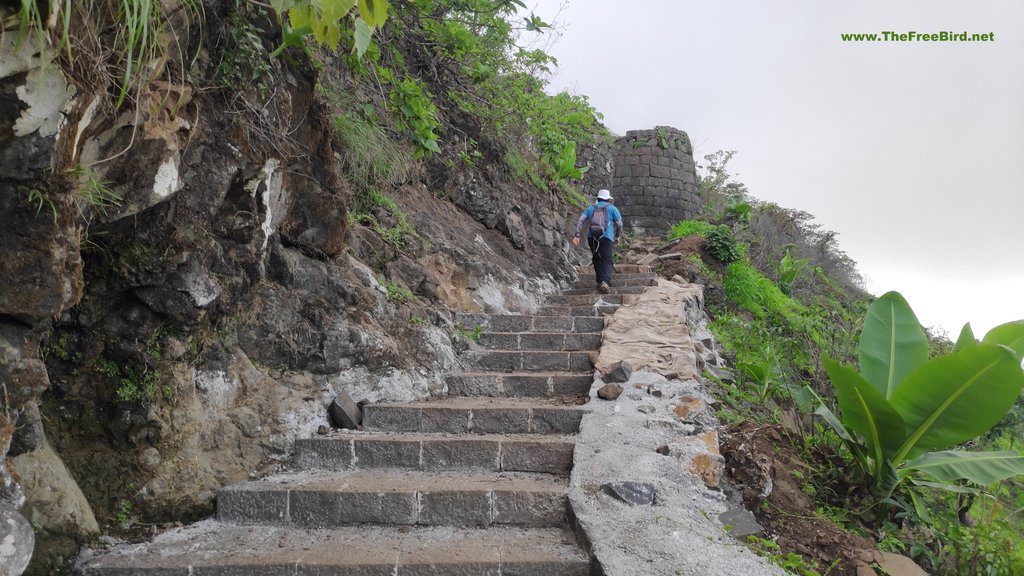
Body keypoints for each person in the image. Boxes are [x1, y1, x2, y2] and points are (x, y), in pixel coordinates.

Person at [572, 189, 623, 294]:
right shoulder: (612, 209)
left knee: (596, 258)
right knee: (607, 259)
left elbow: (580, 221)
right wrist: (617, 236)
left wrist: (577, 235)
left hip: (592, 238)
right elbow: (619, 225)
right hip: (607, 237)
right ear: (608, 199)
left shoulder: (590, 209)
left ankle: (600, 281)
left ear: (598, 198)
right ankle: (606, 282)